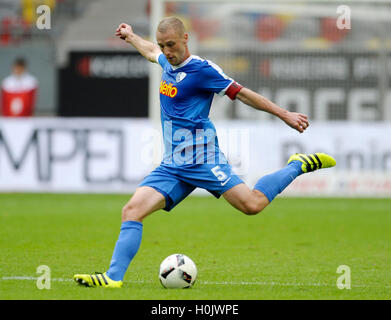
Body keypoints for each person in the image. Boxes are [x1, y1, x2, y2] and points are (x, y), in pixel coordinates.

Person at [73, 17, 336, 288]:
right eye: (163, 45)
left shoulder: (203, 70)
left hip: (203, 159)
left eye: (171, 45)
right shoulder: (166, 60)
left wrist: (284, 114)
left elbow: (243, 93)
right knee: (131, 211)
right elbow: (151, 51)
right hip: (173, 164)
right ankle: (112, 278)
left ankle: (297, 165)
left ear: (186, 39)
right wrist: (130, 36)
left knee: (253, 205)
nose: (166, 51)